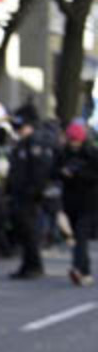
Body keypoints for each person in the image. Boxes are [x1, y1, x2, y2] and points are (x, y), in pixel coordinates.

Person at [7, 106, 57, 279]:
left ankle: (34, 265)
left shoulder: (36, 142)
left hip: (29, 195)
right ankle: (27, 264)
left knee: (29, 230)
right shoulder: (23, 142)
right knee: (23, 230)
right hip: (19, 193)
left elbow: (40, 171)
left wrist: (34, 191)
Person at [57, 119, 98, 285]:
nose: (74, 144)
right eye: (71, 140)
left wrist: (77, 174)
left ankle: (77, 267)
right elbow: (55, 170)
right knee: (74, 236)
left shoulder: (92, 153)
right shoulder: (64, 153)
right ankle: (85, 271)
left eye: (76, 140)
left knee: (81, 234)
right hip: (71, 202)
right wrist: (63, 173)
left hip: (90, 202)